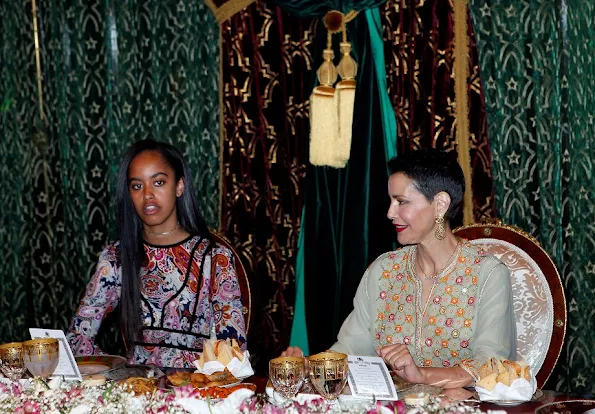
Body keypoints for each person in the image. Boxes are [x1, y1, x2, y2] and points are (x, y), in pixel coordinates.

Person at [283, 149, 516, 388]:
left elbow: (491, 365)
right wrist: (308, 368)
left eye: (401, 202)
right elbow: (350, 349)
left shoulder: (486, 274)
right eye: (391, 201)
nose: (390, 213)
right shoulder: (383, 271)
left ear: (440, 204)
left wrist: (422, 375)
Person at [67, 139, 247, 368]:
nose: (148, 195)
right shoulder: (117, 257)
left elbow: (234, 349)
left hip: (198, 394)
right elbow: (77, 337)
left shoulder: (215, 258)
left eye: (159, 182)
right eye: (137, 186)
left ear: (179, 186)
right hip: (135, 393)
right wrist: (118, 371)